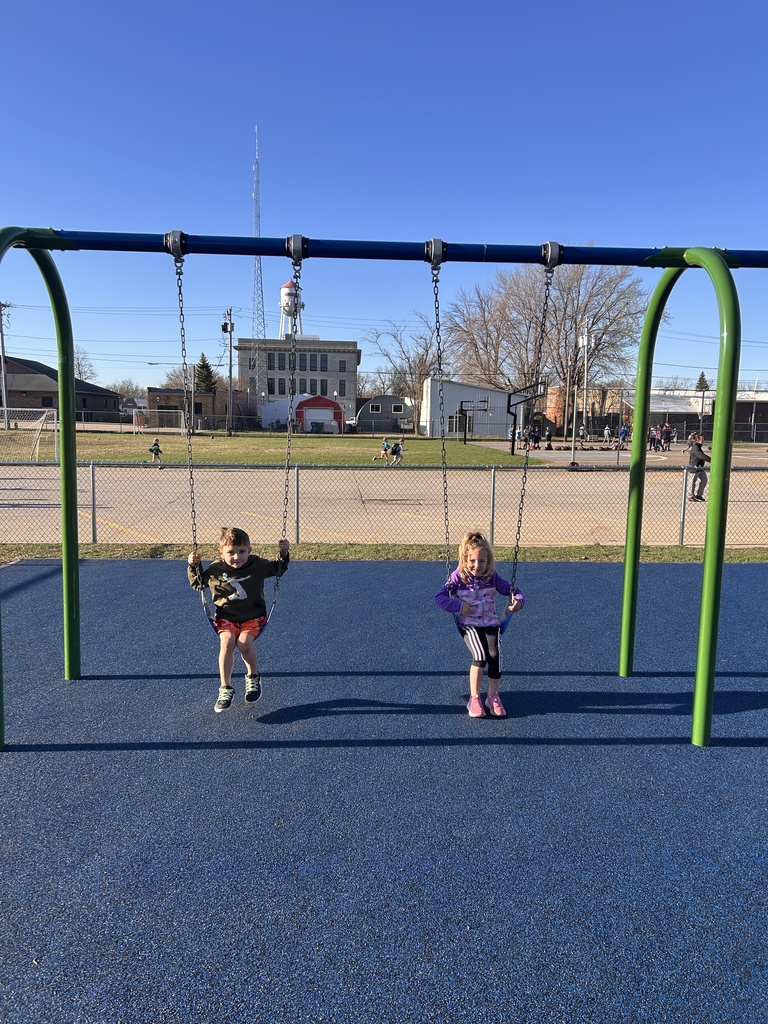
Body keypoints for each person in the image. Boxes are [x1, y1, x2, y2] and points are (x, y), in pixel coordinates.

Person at [188, 527, 290, 712]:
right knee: (226, 642)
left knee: (243, 644)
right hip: (227, 618)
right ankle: (225, 687)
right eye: (231, 552)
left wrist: (283, 552)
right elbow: (198, 583)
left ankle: (253, 676)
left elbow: (278, 569)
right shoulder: (215, 570)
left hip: (253, 616)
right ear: (221, 553)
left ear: (249, 550)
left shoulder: (256, 565)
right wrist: (193, 565)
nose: (237, 557)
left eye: (242, 551)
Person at [434, 531, 524, 719]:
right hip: (468, 624)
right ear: (465, 559)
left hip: (490, 622)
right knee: (480, 655)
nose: (477, 566)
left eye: (481, 561)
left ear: (488, 561)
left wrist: (518, 601)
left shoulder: (492, 577)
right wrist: (458, 606)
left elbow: (512, 590)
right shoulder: (458, 577)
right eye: (472, 561)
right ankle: (474, 698)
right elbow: (440, 598)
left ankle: (493, 696)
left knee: (495, 654)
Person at [688, 433, 711, 502]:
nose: (703, 440)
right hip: (694, 468)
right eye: (701, 439)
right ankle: (690, 496)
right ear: (697, 440)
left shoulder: (698, 447)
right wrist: (712, 460)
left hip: (700, 468)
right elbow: (701, 456)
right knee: (692, 482)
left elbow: (702, 456)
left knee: (704, 480)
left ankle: (699, 495)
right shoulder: (695, 447)